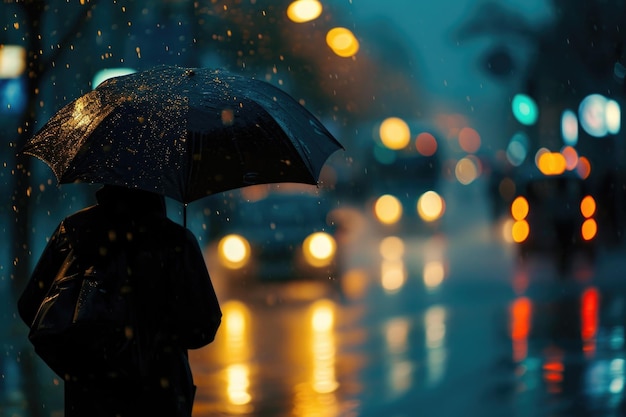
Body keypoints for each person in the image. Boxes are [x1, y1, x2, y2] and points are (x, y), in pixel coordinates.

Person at [18, 185, 222, 417]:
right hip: (159, 395)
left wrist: (82, 359)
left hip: (89, 395)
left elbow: (31, 308)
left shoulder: (74, 230)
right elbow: (202, 328)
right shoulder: (175, 240)